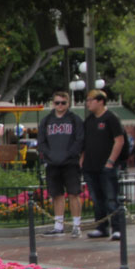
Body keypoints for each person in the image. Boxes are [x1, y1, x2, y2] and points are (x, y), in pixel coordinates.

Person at [37, 90, 85, 237]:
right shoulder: (46, 121)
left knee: (73, 193)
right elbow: (41, 141)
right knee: (56, 194)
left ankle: (76, 225)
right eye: (57, 102)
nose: (60, 105)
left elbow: (80, 140)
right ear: (53, 103)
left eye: (63, 103)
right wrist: (49, 155)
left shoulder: (74, 119)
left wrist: (70, 154)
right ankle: (58, 225)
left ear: (68, 103)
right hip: (53, 163)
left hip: (70, 162)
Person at [80, 89, 125, 240]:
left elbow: (119, 140)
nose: (88, 103)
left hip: (106, 166)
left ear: (100, 101)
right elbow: (85, 143)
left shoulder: (111, 118)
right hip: (90, 166)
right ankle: (101, 227)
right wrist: (82, 162)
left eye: (91, 100)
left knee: (111, 198)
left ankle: (117, 228)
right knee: (97, 199)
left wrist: (111, 161)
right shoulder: (89, 120)